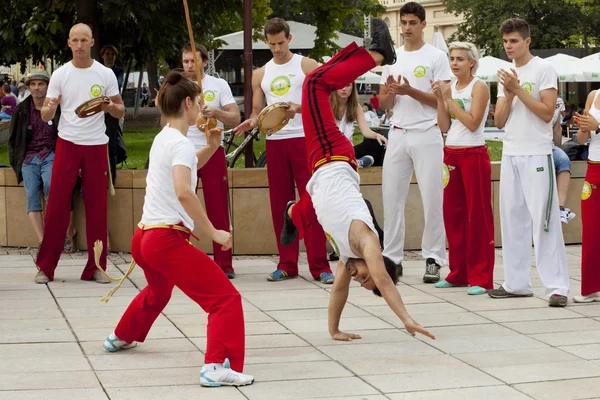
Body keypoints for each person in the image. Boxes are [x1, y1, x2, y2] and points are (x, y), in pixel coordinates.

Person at [280, 19, 435, 342]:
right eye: (366, 280)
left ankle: (293, 213)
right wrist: (406, 319)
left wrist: (334, 330)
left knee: (315, 80)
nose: (358, 278)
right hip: (332, 154)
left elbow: (338, 291)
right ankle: (377, 54)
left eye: (361, 282)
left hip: (319, 170)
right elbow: (385, 280)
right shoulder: (367, 244)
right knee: (313, 85)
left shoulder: (350, 259)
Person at [103, 70, 254, 388]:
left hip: (143, 238)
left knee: (159, 292)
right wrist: (213, 232)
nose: (201, 107)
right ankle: (216, 366)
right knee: (225, 299)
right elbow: (184, 191)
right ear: (187, 103)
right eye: (199, 102)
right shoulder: (180, 143)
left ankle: (121, 335)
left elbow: (184, 169)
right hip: (163, 240)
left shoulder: (165, 138)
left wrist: (212, 147)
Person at [234, 18, 333, 284]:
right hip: (275, 141)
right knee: (280, 202)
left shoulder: (306, 65)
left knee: (311, 201)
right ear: (266, 42)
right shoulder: (260, 73)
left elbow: (324, 99)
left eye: (281, 43)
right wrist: (251, 121)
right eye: (272, 44)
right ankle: (287, 263)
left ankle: (320, 266)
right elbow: (257, 112)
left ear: (289, 39)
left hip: (304, 139)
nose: (277, 48)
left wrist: (297, 109)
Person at [33, 23, 125, 284]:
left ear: (92, 42)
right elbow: (46, 114)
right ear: (69, 43)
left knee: (97, 206)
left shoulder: (105, 74)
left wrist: (109, 107)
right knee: (57, 206)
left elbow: (120, 110)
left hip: (96, 145)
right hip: (67, 143)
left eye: (85, 39)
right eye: (76, 40)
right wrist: (49, 108)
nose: (80, 44)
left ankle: (96, 267)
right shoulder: (61, 74)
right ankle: (46, 267)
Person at [487, 18, 570, 307]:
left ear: (527, 41)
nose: (508, 46)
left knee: (544, 222)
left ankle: (557, 286)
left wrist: (518, 90)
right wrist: (508, 95)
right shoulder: (506, 73)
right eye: (506, 42)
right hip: (510, 153)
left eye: (514, 41)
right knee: (512, 221)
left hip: (537, 153)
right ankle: (516, 283)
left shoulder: (544, 69)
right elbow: (498, 121)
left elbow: (547, 113)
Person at [378, 2, 451, 282]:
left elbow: (441, 102)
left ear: (423, 25)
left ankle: (433, 257)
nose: (407, 28)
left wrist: (410, 90)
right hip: (397, 132)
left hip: (427, 132)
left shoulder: (436, 56)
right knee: (392, 198)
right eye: (404, 23)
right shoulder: (391, 60)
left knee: (433, 197)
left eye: (412, 23)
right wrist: (393, 93)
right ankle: (392, 258)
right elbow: (384, 101)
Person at [431, 42, 494, 295]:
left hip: (473, 153)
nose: (454, 63)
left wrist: (450, 100)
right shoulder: (450, 88)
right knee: (453, 215)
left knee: (477, 216)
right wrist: (440, 100)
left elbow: (472, 122)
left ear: (471, 62)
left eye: (459, 59)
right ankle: (458, 272)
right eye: (452, 58)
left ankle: (481, 277)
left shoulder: (479, 87)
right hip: (451, 153)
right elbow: (445, 126)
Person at [182, 42, 240, 279]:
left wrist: (215, 113)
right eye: (185, 61)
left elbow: (235, 118)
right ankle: (180, 260)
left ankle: (224, 263)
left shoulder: (218, 85)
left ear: (204, 62)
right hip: (184, 151)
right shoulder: (177, 86)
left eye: (193, 61)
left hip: (212, 148)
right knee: (183, 209)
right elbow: (166, 118)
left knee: (217, 207)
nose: (188, 65)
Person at [8, 70, 59, 245]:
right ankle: (42, 240)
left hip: (50, 154)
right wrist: (16, 163)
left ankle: (56, 233)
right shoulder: (21, 109)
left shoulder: (55, 107)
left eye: (41, 84)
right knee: (31, 194)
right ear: (29, 87)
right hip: (29, 158)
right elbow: (13, 139)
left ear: (47, 86)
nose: (36, 88)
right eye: (33, 85)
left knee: (51, 186)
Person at [572, 91, 600, 303]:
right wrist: (583, 127)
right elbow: (582, 139)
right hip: (593, 168)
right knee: (591, 229)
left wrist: (597, 126)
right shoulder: (593, 95)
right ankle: (590, 287)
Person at [331, 81, 387, 168]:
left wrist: (377, 135)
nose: (344, 89)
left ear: (353, 88)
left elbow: (365, 131)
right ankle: (354, 163)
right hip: (331, 149)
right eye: (341, 86)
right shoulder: (327, 105)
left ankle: (352, 162)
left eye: (348, 85)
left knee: (376, 143)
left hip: (348, 149)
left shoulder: (356, 107)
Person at [551, 96, 576, 223]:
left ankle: (560, 208)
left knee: (563, 160)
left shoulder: (558, 102)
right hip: (532, 146)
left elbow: (557, 128)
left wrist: (558, 147)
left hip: (549, 145)